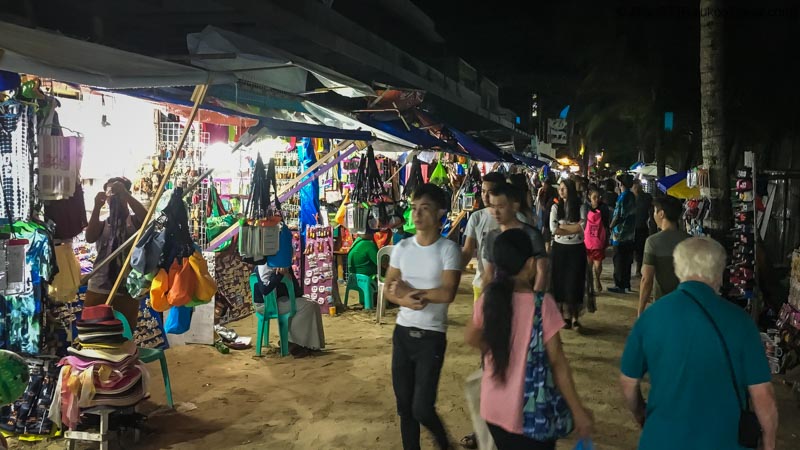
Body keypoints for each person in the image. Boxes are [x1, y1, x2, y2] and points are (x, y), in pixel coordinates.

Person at [620, 237, 778, 449]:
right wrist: (769, 441)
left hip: (661, 439)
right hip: (723, 441)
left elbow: (628, 383)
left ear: (678, 270)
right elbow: (763, 395)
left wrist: (641, 413)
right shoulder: (741, 322)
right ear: (719, 273)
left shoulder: (651, 317)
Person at [465, 229, 593, 449]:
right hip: (530, 414)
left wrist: (500, 347)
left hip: (493, 407)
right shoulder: (541, 305)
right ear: (531, 264)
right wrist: (578, 410)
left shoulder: (489, 298)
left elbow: (472, 336)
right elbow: (557, 362)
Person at [383, 183, 462, 450]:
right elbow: (389, 288)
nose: (416, 214)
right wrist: (403, 298)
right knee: (405, 408)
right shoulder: (403, 247)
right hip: (403, 333)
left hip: (431, 336)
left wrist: (410, 292)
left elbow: (447, 293)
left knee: (422, 408)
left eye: (424, 208)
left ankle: (445, 445)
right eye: (414, 208)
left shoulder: (448, 250)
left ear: (439, 213)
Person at [85, 177, 147, 331]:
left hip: (127, 288)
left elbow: (147, 219)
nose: (114, 199)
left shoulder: (134, 222)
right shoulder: (103, 224)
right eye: (112, 194)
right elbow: (90, 237)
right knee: (92, 332)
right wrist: (97, 207)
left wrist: (125, 195)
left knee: (124, 333)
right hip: (99, 286)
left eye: (118, 194)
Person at [481, 183, 548, 292]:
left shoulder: (532, 235)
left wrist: (536, 300)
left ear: (515, 206)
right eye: (493, 206)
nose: (496, 212)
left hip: (526, 296)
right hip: (499, 300)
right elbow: (489, 274)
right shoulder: (491, 237)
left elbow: (541, 271)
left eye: (501, 207)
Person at [254, 266, 325, 356]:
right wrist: (279, 275)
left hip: (281, 300)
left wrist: (288, 275)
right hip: (267, 304)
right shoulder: (262, 267)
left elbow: (297, 292)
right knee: (307, 306)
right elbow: (265, 290)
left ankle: (312, 344)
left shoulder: (284, 266)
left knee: (314, 304)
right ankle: (291, 341)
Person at [637, 196, 689, 316]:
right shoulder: (690, 240)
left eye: (655, 211)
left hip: (663, 303)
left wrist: (640, 311)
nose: (654, 215)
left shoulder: (653, 242)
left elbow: (646, 280)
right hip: (686, 302)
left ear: (661, 214)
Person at [462, 172, 507, 302]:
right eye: (483, 191)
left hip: (507, 288)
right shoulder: (476, 217)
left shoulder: (516, 218)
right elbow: (467, 251)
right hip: (481, 284)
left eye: (490, 192)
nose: (485, 196)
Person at [549, 179, 588, 330]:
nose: (561, 191)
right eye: (560, 188)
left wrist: (563, 227)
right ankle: (564, 316)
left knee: (575, 282)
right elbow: (554, 229)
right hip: (559, 248)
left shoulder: (581, 206)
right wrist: (573, 227)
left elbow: (582, 227)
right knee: (560, 282)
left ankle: (574, 317)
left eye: (564, 188)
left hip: (576, 249)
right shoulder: (555, 207)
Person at [608, 173, 637, 294]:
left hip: (620, 234)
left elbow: (619, 215)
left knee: (619, 260)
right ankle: (626, 284)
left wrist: (610, 226)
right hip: (630, 234)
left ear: (621, 184)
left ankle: (619, 284)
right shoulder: (632, 196)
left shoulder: (623, 197)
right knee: (627, 260)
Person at [584, 186, 610, 293]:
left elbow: (606, 223)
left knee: (598, 264)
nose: (596, 199)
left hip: (599, 241)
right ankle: (590, 284)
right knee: (588, 265)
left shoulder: (604, 208)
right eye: (594, 197)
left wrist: (607, 238)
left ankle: (597, 279)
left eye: (598, 197)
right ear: (589, 197)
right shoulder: (585, 208)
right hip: (587, 241)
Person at [632, 180, 654, 277]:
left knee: (640, 249)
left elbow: (651, 211)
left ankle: (638, 269)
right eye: (635, 186)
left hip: (641, 226)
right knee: (635, 250)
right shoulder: (630, 197)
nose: (636, 188)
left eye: (638, 186)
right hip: (632, 227)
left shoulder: (646, 197)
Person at [535, 175, 558, 253]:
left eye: (544, 184)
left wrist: (552, 203)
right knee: (547, 238)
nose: (543, 185)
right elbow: (542, 205)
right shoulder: (543, 192)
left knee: (547, 238)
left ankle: (548, 252)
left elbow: (554, 202)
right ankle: (548, 251)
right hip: (546, 216)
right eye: (543, 184)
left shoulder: (552, 193)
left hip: (549, 216)